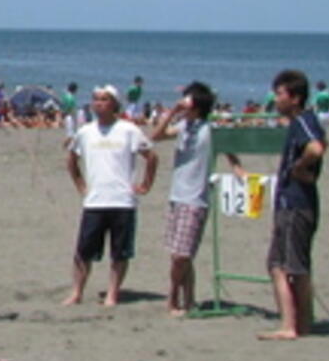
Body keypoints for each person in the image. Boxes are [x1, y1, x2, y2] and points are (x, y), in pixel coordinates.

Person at [63, 85, 157, 307]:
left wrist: (145, 184)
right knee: (83, 251)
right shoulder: (85, 131)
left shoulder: (128, 130)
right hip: (95, 201)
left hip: (122, 201)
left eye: (104, 100)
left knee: (119, 253)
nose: (99, 103)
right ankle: (77, 292)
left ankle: (112, 294)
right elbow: (71, 158)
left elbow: (151, 156)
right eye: (96, 99)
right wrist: (80, 184)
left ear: (114, 103)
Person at [259, 69, 327, 342]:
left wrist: (299, 167)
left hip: (296, 203)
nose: (276, 99)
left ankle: (291, 324)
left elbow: (316, 148)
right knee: (287, 264)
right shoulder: (299, 122)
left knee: (284, 266)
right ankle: (302, 322)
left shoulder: (303, 121)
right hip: (294, 203)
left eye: (280, 94)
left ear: (295, 98)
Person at [147, 81, 218, 316]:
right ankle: (188, 300)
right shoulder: (183, 126)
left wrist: (237, 168)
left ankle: (172, 298)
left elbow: (228, 145)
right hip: (177, 196)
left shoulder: (209, 129)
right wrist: (172, 112)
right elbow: (155, 136)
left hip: (195, 198)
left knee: (182, 256)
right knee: (180, 254)